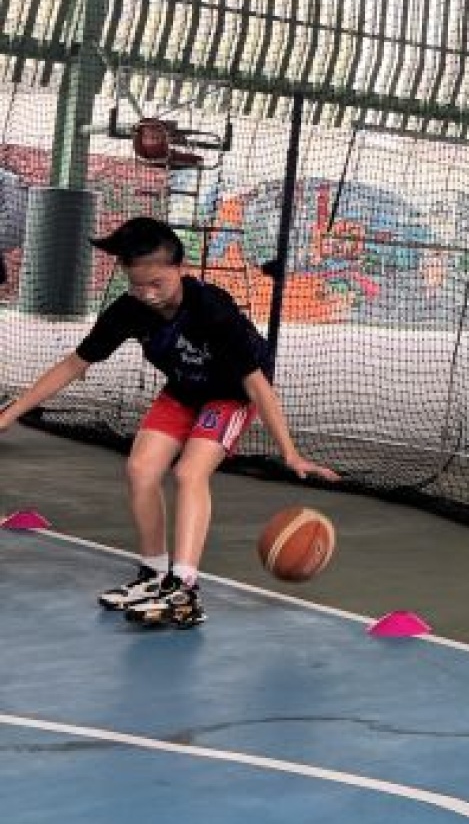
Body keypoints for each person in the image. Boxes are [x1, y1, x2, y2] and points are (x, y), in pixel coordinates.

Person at [0, 214, 338, 628]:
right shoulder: (129, 310)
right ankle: (153, 575)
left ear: (181, 268)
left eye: (156, 283)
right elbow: (74, 365)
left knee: (189, 472)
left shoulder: (212, 310)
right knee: (140, 468)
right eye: (137, 284)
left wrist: (290, 453)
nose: (147, 294)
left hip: (231, 395)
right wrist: (9, 415)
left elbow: (257, 386)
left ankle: (184, 591)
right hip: (183, 390)